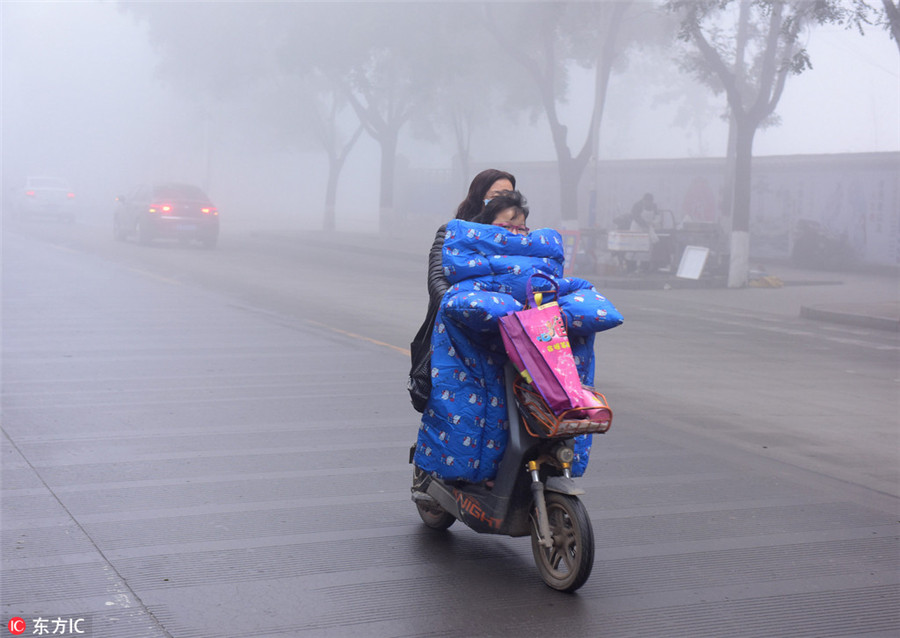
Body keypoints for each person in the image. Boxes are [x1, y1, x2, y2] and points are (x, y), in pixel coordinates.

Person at [412, 190, 623, 484]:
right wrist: (510, 314)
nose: (518, 233)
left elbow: (581, 296)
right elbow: (456, 299)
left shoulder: (543, 271)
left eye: (522, 227)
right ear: (486, 226)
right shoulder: (462, 260)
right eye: (509, 224)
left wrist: (554, 316)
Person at [408, 170, 515, 413]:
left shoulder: (517, 239)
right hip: (457, 338)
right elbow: (437, 281)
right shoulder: (451, 233)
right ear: (479, 198)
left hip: (505, 340)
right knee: (455, 414)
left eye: (509, 196)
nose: (503, 202)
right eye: (496, 195)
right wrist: (467, 310)